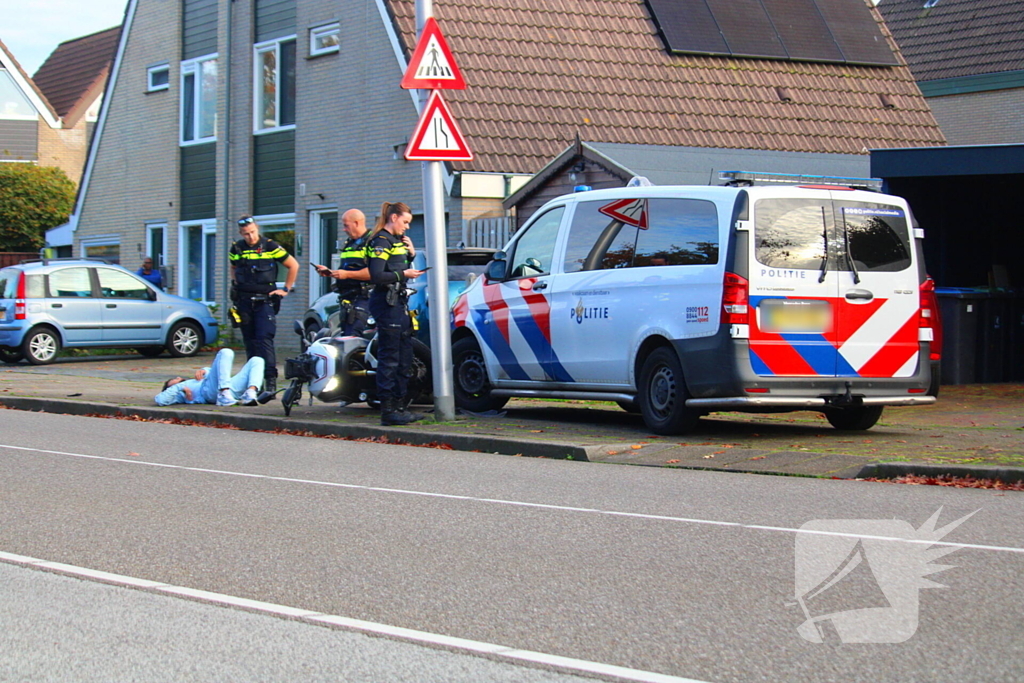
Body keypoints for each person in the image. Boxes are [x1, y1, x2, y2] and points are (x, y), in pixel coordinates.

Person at [366, 201, 426, 426]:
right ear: (393, 218)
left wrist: (410, 254)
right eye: (405, 222)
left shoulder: (396, 241)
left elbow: (397, 267)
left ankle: (400, 406)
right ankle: (388, 410)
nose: (407, 227)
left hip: (399, 302)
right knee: (390, 358)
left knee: (404, 356)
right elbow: (377, 275)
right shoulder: (381, 241)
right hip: (386, 302)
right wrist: (404, 274)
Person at [229, 215, 299, 400]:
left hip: (264, 301)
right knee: (250, 342)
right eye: (246, 234)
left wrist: (285, 289)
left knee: (264, 340)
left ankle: (270, 383)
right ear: (241, 233)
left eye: (253, 232)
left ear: (257, 229)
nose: (251, 236)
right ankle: (254, 383)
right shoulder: (237, 248)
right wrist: (235, 285)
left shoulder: (270, 246)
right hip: (244, 301)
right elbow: (233, 267)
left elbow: (293, 265)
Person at [313, 208, 372, 336]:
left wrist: (346, 274)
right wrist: (331, 273)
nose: (344, 229)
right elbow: (347, 269)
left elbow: (376, 272)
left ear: (356, 223)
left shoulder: (372, 242)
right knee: (346, 336)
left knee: (354, 337)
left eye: (346, 225)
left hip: (363, 298)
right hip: (347, 298)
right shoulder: (350, 243)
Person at [154, 348, 264, 406]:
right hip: (209, 393)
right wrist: (180, 387)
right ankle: (223, 394)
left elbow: (218, 372)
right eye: (174, 381)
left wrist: (204, 370)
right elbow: (160, 400)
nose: (177, 378)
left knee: (257, 360)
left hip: (229, 388)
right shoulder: (180, 393)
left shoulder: (193, 381)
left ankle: (250, 393)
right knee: (225, 352)